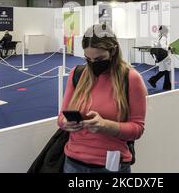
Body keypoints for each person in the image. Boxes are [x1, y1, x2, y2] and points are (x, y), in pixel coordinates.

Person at [58, 24, 147, 173]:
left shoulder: (131, 78)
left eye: (99, 59)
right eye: (88, 59)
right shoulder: (77, 74)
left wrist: (106, 125)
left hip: (111, 165)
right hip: (72, 163)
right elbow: (61, 117)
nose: (93, 64)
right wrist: (66, 123)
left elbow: (137, 129)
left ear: (113, 51)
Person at [148, 25, 172, 90]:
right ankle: (154, 81)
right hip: (164, 56)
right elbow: (163, 46)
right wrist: (169, 48)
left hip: (161, 57)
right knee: (166, 71)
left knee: (164, 71)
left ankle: (164, 85)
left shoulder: (160, 37)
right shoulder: (164, 37)